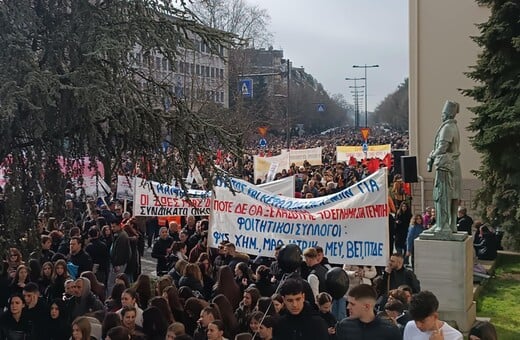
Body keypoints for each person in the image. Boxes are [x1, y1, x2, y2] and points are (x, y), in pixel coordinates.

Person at [426, 100, 462, 235]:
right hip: (453, 164)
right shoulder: (453, 127)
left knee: (442, 195)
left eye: (443, 113)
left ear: (446, 114)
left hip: (446, 165)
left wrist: (431, 156)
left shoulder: (447, 128)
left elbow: (442, 147)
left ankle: (443, 225)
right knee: (453, 196)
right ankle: (451, 224)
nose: (441, 116)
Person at [336, 284, 401, 340]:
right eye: (348, 303)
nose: (348, 307)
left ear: (367, 306)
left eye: (352, 304)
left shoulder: (390, 330)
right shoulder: (343, 326)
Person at [108, 220, 131, 295]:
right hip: (117, 263)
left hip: (118, 264)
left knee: (113, 282)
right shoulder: (118, 235)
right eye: (111, 227)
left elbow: (120, 253)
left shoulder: (122, 237)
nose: (112, 228)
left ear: (119, 226)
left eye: (114, 227)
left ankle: (112, 296)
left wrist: (116, 264)